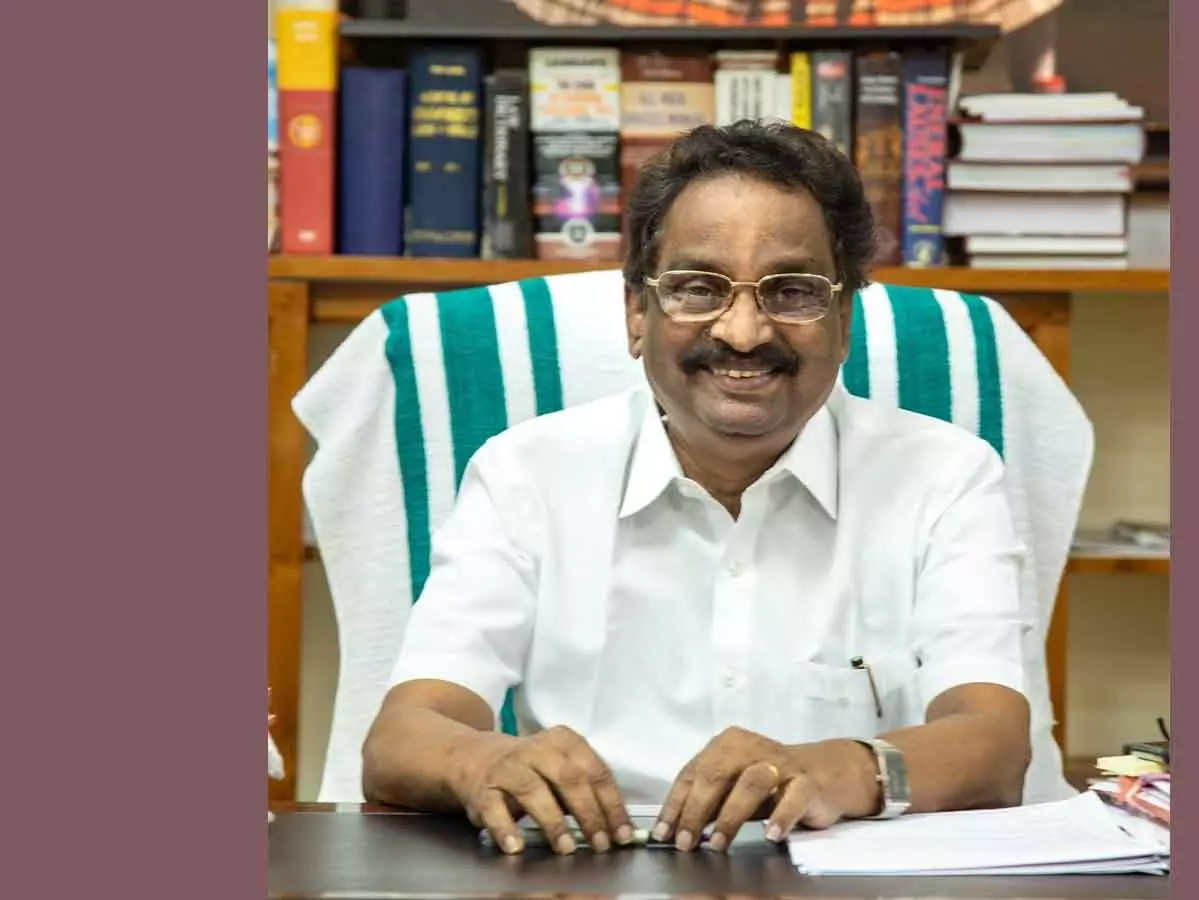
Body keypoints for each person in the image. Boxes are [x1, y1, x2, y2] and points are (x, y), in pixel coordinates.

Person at [360, 121, 1035, 857]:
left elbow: (996, 746)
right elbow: (401, 738)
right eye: (697, 288)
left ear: (842, 322)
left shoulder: (944, 477)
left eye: (792, 292)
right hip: (591, 872)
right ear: (636, 314)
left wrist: (844, 769)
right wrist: (483, 762)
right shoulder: (526, 474)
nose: (744, 332)